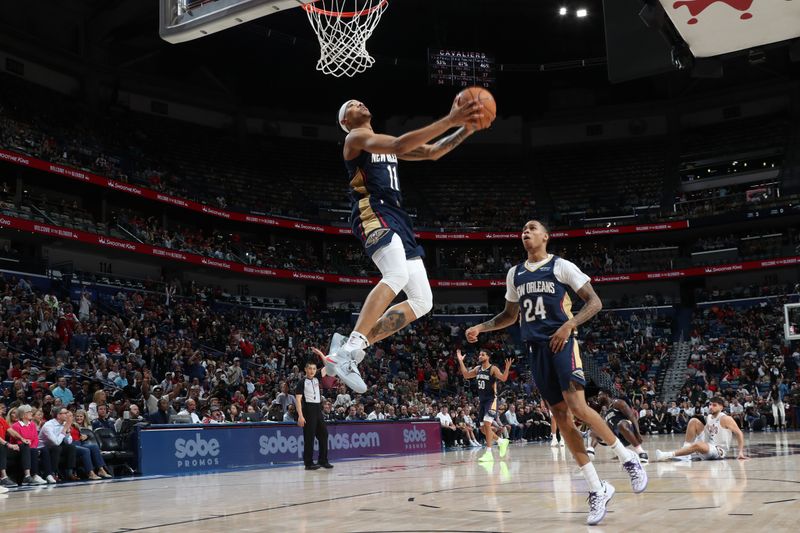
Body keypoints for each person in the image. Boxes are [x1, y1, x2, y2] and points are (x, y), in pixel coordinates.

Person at [465, 220, 647, 526]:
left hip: (561, 344)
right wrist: (482, 327)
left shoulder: (562, 266)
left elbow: (595, 302)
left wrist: (570, 323)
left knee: (578, 407)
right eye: (523, 228)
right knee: (561, 418)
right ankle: (596, 488)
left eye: (532, 227)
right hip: (535, 350)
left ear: (546, 237)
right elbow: (510, 315)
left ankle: (628, 459)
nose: (526, 230)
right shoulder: (515, 273)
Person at [321, 97, 482, 393]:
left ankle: (351, 344)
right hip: (373, 211)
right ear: (345, 122)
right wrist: (450, 118)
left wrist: (467, 128)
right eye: (351, 105)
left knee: (423, 301)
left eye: (360, 101)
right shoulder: (354, 138)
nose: (359, 104)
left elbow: (433, 152)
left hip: (397, 216)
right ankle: (347, 352)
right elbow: (398, 145)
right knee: (395, 275)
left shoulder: (383, 142)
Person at [456, 349, 512, 462]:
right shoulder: (477, 369)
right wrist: (461, 361)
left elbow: (504, 378)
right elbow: (466, 375)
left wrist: (507, 368)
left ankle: (489, 452)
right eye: (480, 354)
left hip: (492, 400)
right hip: (482, 401)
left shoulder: (493, 369)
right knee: (482, 429)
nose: (480, 356)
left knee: (487, 424)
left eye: (483, 354)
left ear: (488, 356)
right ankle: (501, 441)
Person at [656, 397, 748, 462]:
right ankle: (686, 451)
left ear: (721, 407)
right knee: (693, 421)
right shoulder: (709, 417)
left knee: (697, 445)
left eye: (714, 405)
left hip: (719, 449)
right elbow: (706, 431)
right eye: (710, 405)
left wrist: (740, 452)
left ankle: (667, 455)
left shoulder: (726, 418)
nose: (711, 407)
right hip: (709, 442)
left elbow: (739, 433)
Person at [588, 390, 648, 463]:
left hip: (628, 430)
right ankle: (590, 451)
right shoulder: (605, 412)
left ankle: (641, 452)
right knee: (596, 428)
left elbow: (632, 416)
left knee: (621, 425)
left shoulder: (618, 402)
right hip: (618, 437)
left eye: (600, 395)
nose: (598, 397)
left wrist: (638, 433)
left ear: (606, 395)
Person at [296, 354, 333, 471]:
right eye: (309, 369)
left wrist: (319, 353)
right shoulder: (301, 382)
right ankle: (308, 463)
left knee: (324, 434)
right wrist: (300, 416)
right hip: (308, 410)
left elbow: (328, 365)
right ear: (305, 370)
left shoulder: (317, 377)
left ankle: (323, 459)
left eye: (314, 368)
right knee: (309, 437)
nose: (312, 371)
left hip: (318, 409)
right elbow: (298, 400)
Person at [40, 406, 79, 481]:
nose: (67, 415)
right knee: (57, 448)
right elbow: (56, 442)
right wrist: (64, 429)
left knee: (71, 447)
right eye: (65, 413)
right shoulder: (48, 425)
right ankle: (53, 473)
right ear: (58, 415)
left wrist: (67, 432)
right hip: (43, 447)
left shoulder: (64, 423)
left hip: (55, 446)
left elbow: (69, 442)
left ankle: (70, 473)